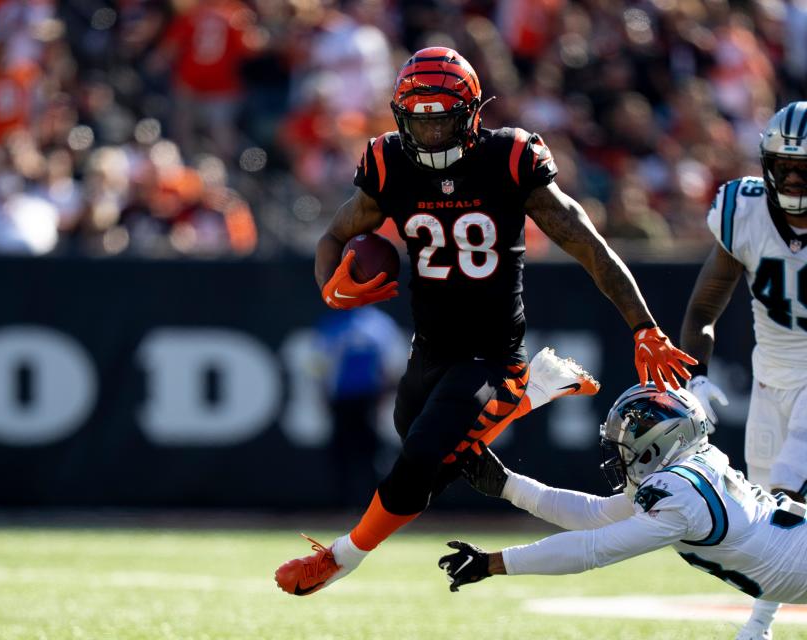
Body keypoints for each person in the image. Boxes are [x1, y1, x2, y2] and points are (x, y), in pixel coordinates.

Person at [274, 47, 696, 597]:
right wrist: (330, 285)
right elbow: (333, 234)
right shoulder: (387, 162)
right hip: (429, 348)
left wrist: (644, 325)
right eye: (418, 120)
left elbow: (587, 244)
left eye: (441, 118)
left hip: (492, 353)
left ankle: (341, 555)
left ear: (471, 112)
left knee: (422, 459)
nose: (428, 133)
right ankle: (536, 394)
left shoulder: (508, 158)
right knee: (430, 450)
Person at [438, 385, 807, 633]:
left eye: (626, 441)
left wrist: (495, 563)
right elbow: (596, 514)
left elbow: (591, 549)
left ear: (659, 441)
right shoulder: (692, 466)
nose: (620, 452)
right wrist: (509, 486)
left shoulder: (679, 493)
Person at [679, 101, 807, 638]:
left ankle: (757, 624)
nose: (796, 181)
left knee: (788, 497)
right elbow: (703, 309)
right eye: (787, 167)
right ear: (766, 167)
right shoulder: (744, 210)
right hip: (771, 377)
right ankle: (762, 621)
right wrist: (696, 377)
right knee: (762, 518)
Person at [311, 306, 407, 507]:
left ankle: (376, 505)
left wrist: (384, 394)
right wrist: (322, 392)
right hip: (341, 400)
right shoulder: (334, 323)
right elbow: (318, 362)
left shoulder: (379, 323)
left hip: (369, 399)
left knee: (372, 452)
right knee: (341, 451)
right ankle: (341, 503)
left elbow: (393, 363)